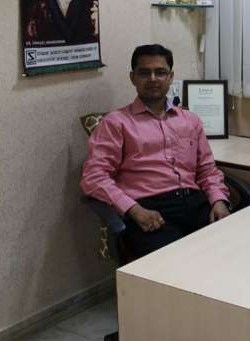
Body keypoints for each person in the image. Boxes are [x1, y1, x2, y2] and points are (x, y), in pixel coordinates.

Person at [80, 44, 230, 258]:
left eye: (160, 72)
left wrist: (218, 200)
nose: (153, 79)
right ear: (132, 77)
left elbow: (207, 170)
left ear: (171, 77)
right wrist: (134, 210)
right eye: (144, 73)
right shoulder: (116, 123)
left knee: (234, 248)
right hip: (149, 209)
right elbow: (93, 177)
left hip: (195, 203)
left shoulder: (190, 121)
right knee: (175, 264)